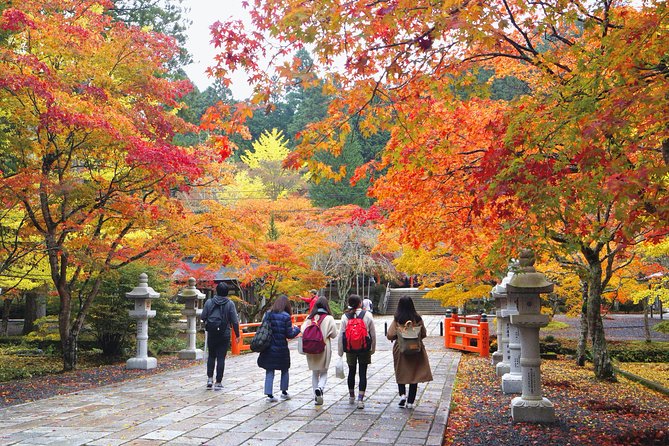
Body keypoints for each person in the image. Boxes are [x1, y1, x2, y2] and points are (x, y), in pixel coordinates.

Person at [386, 295, 433, 409]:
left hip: (401, 349)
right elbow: (424, 334)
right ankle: (411, 401)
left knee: (400, 371)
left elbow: (390, 335)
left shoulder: (397, 319)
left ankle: (402, 395)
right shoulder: (417, 318)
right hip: (416, 349)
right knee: (414, 374)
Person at [258, 294, 301, 402]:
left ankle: (269, 395)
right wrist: (296, 329)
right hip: (281, 348)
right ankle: (284, 392)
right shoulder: (286, 316)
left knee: (269, 370)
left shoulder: (268, 314)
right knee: (284, 369)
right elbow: (289, 334)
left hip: (269, 347)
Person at [338, 294, 376, 409]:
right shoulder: (368, 315)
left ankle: (351, 396)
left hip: (350, 348)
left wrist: (340, 351)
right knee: (363, 372)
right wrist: (372, 349)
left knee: (351, 371)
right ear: (360, 303)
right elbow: (372, 334)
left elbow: (341, 335)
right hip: (364, 348)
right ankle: (360, 399)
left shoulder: (345, 316)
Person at [200, 282, 240, 391]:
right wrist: (237, 334)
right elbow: (235, 321)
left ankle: (209, 379)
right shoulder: (230, 303)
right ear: (227, 292)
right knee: (221, 357)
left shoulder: (209, 302)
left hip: (212, 332)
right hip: (224, 333)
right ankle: (218, 382)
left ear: (216, 291)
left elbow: (203, 317)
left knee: (211, 356)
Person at [301, 297, 338, 405]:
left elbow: (303, 329)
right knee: (324, 371)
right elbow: (334, 334)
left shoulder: (310, 318)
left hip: (310, 347)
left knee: (314, 372)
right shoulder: (329, 318)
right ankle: (320, 388)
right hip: (324, 347)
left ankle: (316, 397)